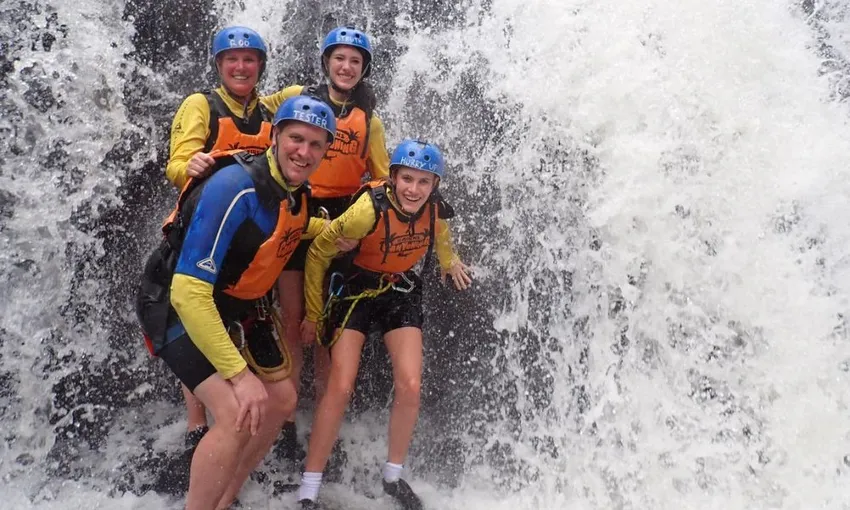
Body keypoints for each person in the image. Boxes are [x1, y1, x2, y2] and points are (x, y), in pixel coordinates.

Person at [136, 95, 337, 510]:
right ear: (275, 135)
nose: (305, 152)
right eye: (296, 139)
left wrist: (336, 232)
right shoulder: (235, 187)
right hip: (175, 304)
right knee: (235, 413)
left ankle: (224, 497)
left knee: (281, 400)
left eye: (317, 145)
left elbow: (286, 225)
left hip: (229, 303)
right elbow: (189, 293)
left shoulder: (294, 189)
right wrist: (238, 375)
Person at [296, 140, 472, 509]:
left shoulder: (434, 209)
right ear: (392, 178)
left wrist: (449, 261)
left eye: (424, 182)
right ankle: (309, 486)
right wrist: (313, 314)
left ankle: (393, 476)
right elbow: (317, 253)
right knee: (341, 387)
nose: (414, 189)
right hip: (355, 292)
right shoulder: (365, 212)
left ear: (434, 185)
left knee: (410, 383)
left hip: (399, 291)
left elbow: (440, 233)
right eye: (407, 179)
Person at [164, 25, 305, 453]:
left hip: (248, 235)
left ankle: (257, 414)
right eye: (232, 60)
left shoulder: (268, 111)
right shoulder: (200, 105)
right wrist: (190, 165)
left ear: (260, 67)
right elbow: (175, 164)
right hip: (204, 228)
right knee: (198, 319)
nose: (240, 67)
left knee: (243, 316)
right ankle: (196, 425)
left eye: (249, 60)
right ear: (220, 65)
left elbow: (301, 95)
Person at [270, 25, 391, 457]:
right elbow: (261, 120)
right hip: (299, 211)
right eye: (339, 58)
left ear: (364, 70)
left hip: (342, 221)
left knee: (328, 328)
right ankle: (284, 420)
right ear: (326, 62)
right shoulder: (298, 96)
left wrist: (361, 225)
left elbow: (380, 178)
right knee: (291, 320)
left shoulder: (369, 119)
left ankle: (325, 417)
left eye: (355, 61)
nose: (346, 67)